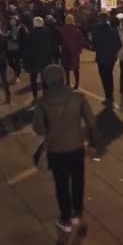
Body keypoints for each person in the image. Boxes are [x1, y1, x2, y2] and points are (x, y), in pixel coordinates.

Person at [32, 64, 96, 233]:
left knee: (61, 184)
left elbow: (38, 128)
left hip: (56, 150)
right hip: (76, 147)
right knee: (78, 181)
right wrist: (93, 143)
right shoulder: (78, 98)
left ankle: (65, 219)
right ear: (63, 78)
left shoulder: (43, 102)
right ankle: (78, 213)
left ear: (47, 81)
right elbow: (91, 121)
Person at [92, 12, 122, 106]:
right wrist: (113, 51)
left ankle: (108, 95)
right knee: (109, 75)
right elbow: (119, 44)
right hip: (111, 57)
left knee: (104, 76)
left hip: (101, 57)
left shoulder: (96, 30)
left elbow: (94, 44)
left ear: (99, 19)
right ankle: (110, 94)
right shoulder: (113, 30)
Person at [22, 16, 55, 100]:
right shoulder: (48, 33)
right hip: (45, 59)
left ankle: (35, 95)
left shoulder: (30, 34)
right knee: (45, 79)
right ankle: (46, 94)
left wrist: (25, 62)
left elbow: (26, 49)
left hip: (33, 61)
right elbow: (51, 46)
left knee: (33, 79)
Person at [61, 14, 82, 89]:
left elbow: (61, 40)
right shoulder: (77, 30)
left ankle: (68, 82)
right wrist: (79, 50)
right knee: (76, 68)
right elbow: (79, 41)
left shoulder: (62, 30)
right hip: (75, 51)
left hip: (66, 51)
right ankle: (76, 84)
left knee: (66, 68)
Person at [7, 17, 23, 82]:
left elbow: (22, 37)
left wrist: (16, 38)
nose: (12, 22)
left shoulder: (19, 28)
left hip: (17, 48)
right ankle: (16, 71)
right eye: (11, 21)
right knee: (9, 62)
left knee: (17, 62)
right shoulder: (9, 29)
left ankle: (17, 76)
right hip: (9, 48)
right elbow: (6, 37)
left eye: (14, 21)